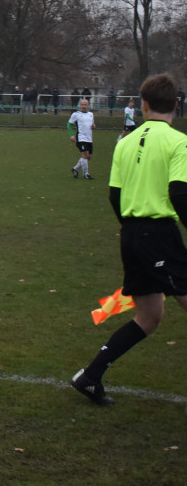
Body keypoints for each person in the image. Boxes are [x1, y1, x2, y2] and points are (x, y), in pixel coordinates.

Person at [71, 73, 187, 406]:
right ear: (176, 105)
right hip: (160, 234)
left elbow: (114, 195)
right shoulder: (178, 142)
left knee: (149, 317)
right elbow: (179, 193)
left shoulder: (125, 141)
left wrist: (132, 230)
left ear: (144, 105)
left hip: (131, 233)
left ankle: (90, 376)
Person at [68, 98, 96, 179]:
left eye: (85, 104)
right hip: (81, 138)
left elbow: (92, 124)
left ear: (88, 105)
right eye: (82, 104)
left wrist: (94, 126)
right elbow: (69, 125)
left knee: (89, 157)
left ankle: (75, 168)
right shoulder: (76, 114)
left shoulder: (91, 114)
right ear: (80, 105)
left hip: (89, 139)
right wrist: (71, 135)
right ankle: (86, 174)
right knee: (85, 155)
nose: (84, 106)